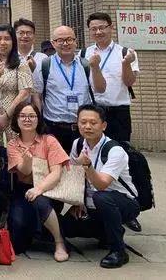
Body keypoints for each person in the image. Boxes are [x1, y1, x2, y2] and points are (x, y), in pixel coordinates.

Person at [61, 104, 140, 269]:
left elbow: (102, 184)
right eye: (83, 122)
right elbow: (73, 176)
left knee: (102, 197)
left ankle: (118, 251)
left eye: (93, 122)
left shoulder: (114, 150)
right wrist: (78, 201)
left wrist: (87, 166)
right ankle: (107, 233)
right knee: (66, 227)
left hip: (122, 202)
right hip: (91, 204)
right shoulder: (78, 144)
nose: (87, 126)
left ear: (103, 125)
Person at [6, 101, 69, 261]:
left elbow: (56, 173)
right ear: (16, 120)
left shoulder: (49, 141)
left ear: (38, 119)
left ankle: (59, 242)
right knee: (18, 241)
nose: (27, 119)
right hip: (23, 189)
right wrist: (27, 161)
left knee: (40, 201)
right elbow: (25, 171)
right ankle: (38, 229)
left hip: (49, 189)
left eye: (32, 116)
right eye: (22, 116)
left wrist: (39, 189)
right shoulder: (13, 144)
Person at [32, 26, 107, 152]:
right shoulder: (44, 65)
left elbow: (100, 89)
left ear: (75, 42)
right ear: (53, 43)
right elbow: (37, 95)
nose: (65, 43)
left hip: (83, 128)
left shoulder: (86, 64)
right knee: (55, 163)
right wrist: (39, 122)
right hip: (53, 128)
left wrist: (95, 67)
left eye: (69, 39)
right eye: (60, 40)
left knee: (82, 163)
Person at [83, 13, 139, 142]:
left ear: (111, 27)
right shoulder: (84, 54)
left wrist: (126, 64)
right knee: (92, 148)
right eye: (93, 29)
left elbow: (129, 82)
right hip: (92, 111)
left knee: (120, 148)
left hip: (118, 112)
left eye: (102, 27)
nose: (98, 32)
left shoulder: (125, 53)